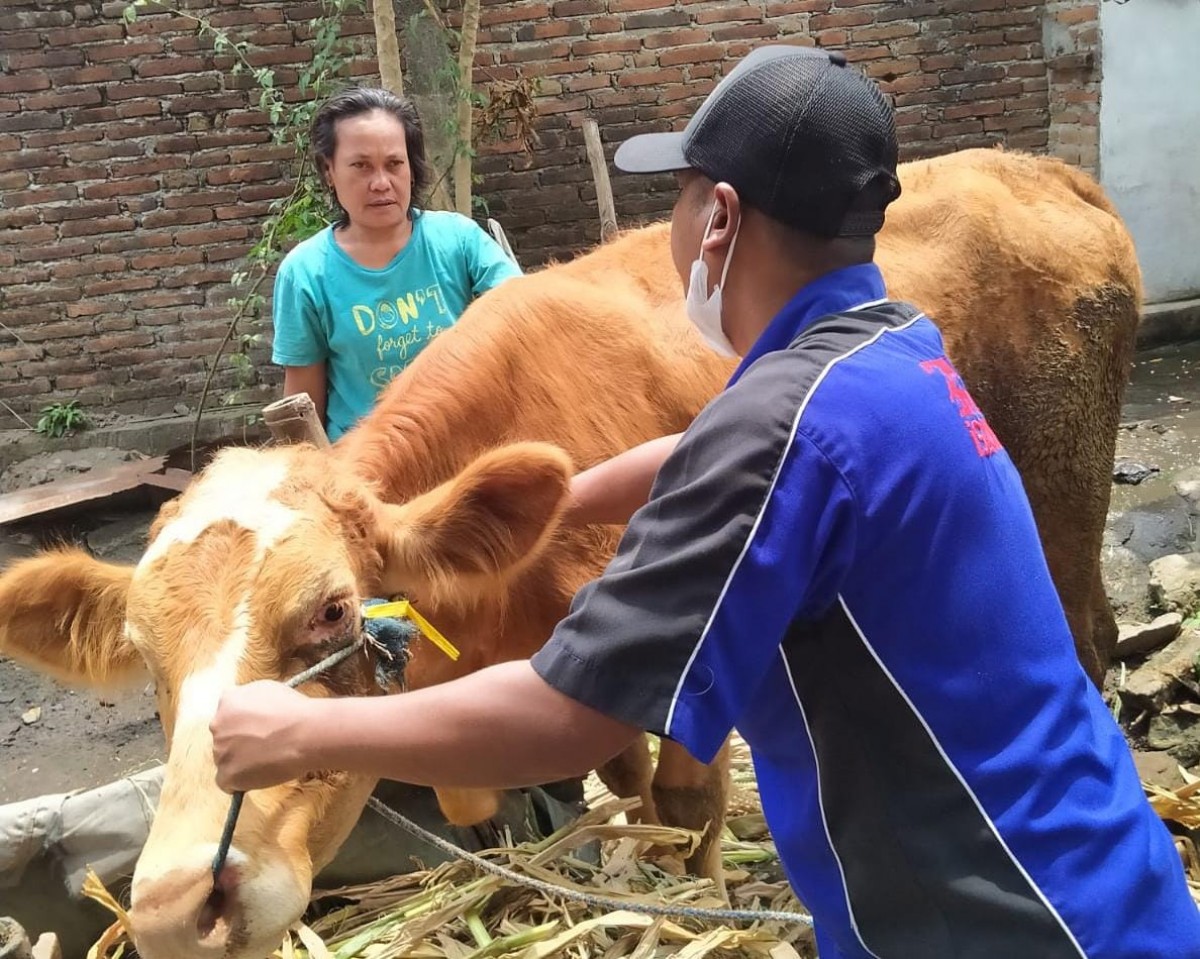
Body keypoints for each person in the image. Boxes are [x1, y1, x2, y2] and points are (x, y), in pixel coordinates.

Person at [213, 46, 1200, 957]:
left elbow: (574, 714)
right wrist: (539, 511)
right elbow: (704, 451)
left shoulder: (776, 431)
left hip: (998, 918)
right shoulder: (885, 344)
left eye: (676, 200)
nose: (663, 232)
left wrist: (305, 731)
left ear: (719, 219)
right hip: (1098, 870)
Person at [271, 87, 523, 441]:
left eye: (394, 164)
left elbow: (526, 315)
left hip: (469, 450)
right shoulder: (306, 273)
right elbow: (303, 407)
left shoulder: (458, 240)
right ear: (329, 171)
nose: (380, 183)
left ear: (411, 168)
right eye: (361, 166)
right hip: (368, 467)